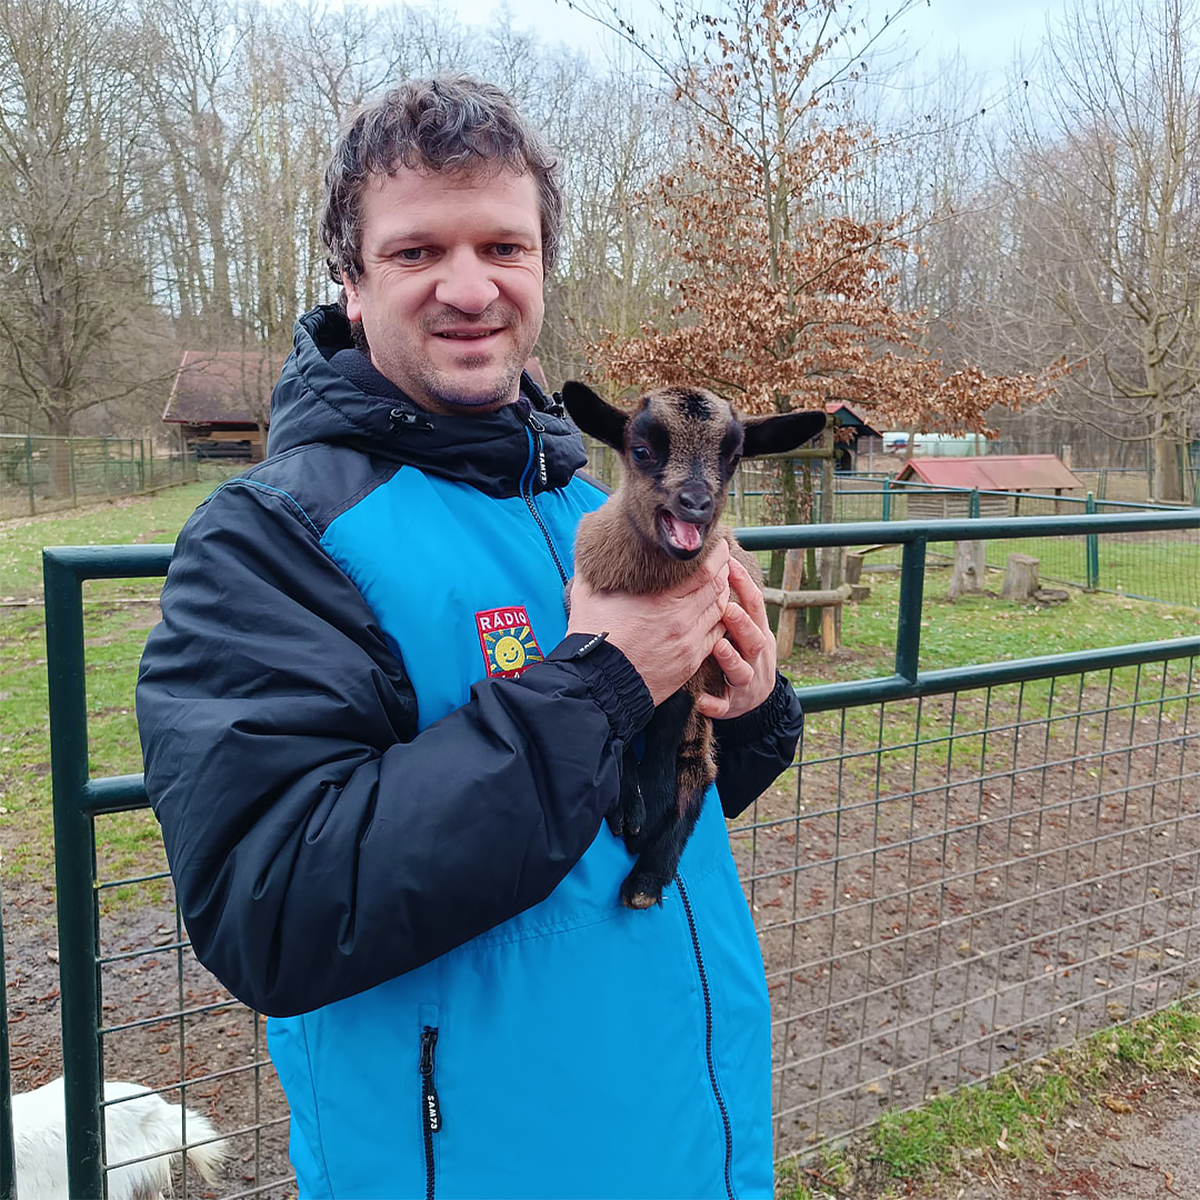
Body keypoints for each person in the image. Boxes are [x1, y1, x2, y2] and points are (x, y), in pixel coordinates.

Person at [136, 75, 803, 1200]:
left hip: (697, 1134)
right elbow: (277, 911)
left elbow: (646, 807)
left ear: (541, 268)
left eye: (504, 245)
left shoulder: (590, 500)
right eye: (414, 252)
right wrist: (601, 684)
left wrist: (749, 700)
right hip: (482, 1160)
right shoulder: (271, 541)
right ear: (350, 283)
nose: (468, 286)